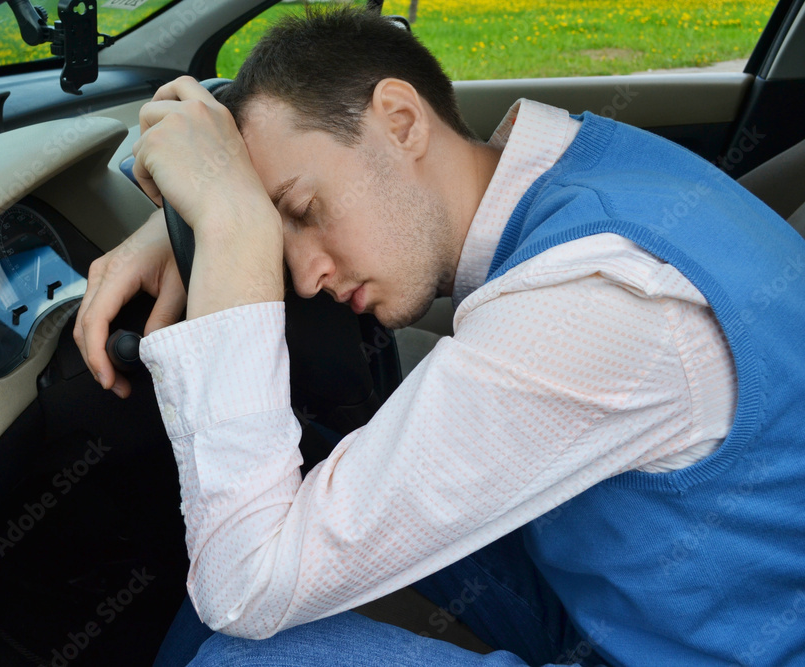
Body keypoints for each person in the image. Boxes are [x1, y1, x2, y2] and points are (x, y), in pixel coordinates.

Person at [73, 6, 805, 666]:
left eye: (298, 208)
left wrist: (233, 230)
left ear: (400, 120)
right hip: (620, 600)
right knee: (315, 459)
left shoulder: (595, 298)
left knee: (241, 655)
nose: (300, 275)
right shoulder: (593, 173)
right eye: (270, 220)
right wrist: (189, 220)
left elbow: (244, 586)